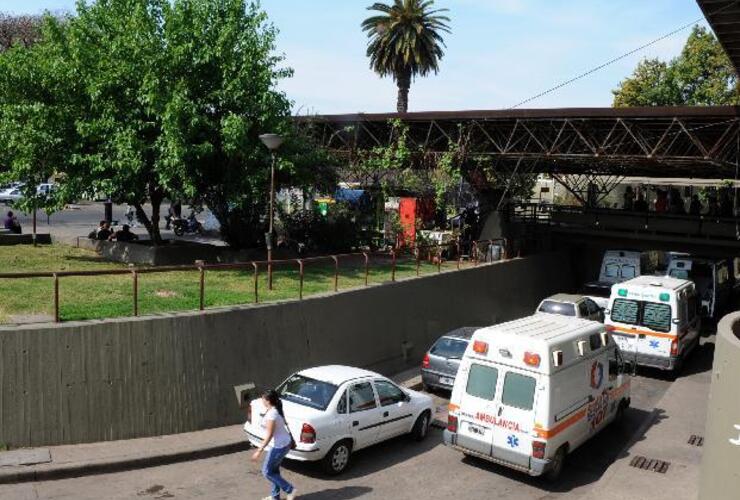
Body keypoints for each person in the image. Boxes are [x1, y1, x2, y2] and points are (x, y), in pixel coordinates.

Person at [251, 390, 297, 500]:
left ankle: (290, 489)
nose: (261, 400)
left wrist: (259, 450)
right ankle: (275, 497)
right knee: (274, 471)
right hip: (284, 443)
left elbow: (269, 434)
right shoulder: (274, 410)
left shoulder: (272, 414)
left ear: (268, 401)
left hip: (280, 446)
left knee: (266, 471)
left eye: (263, 398)